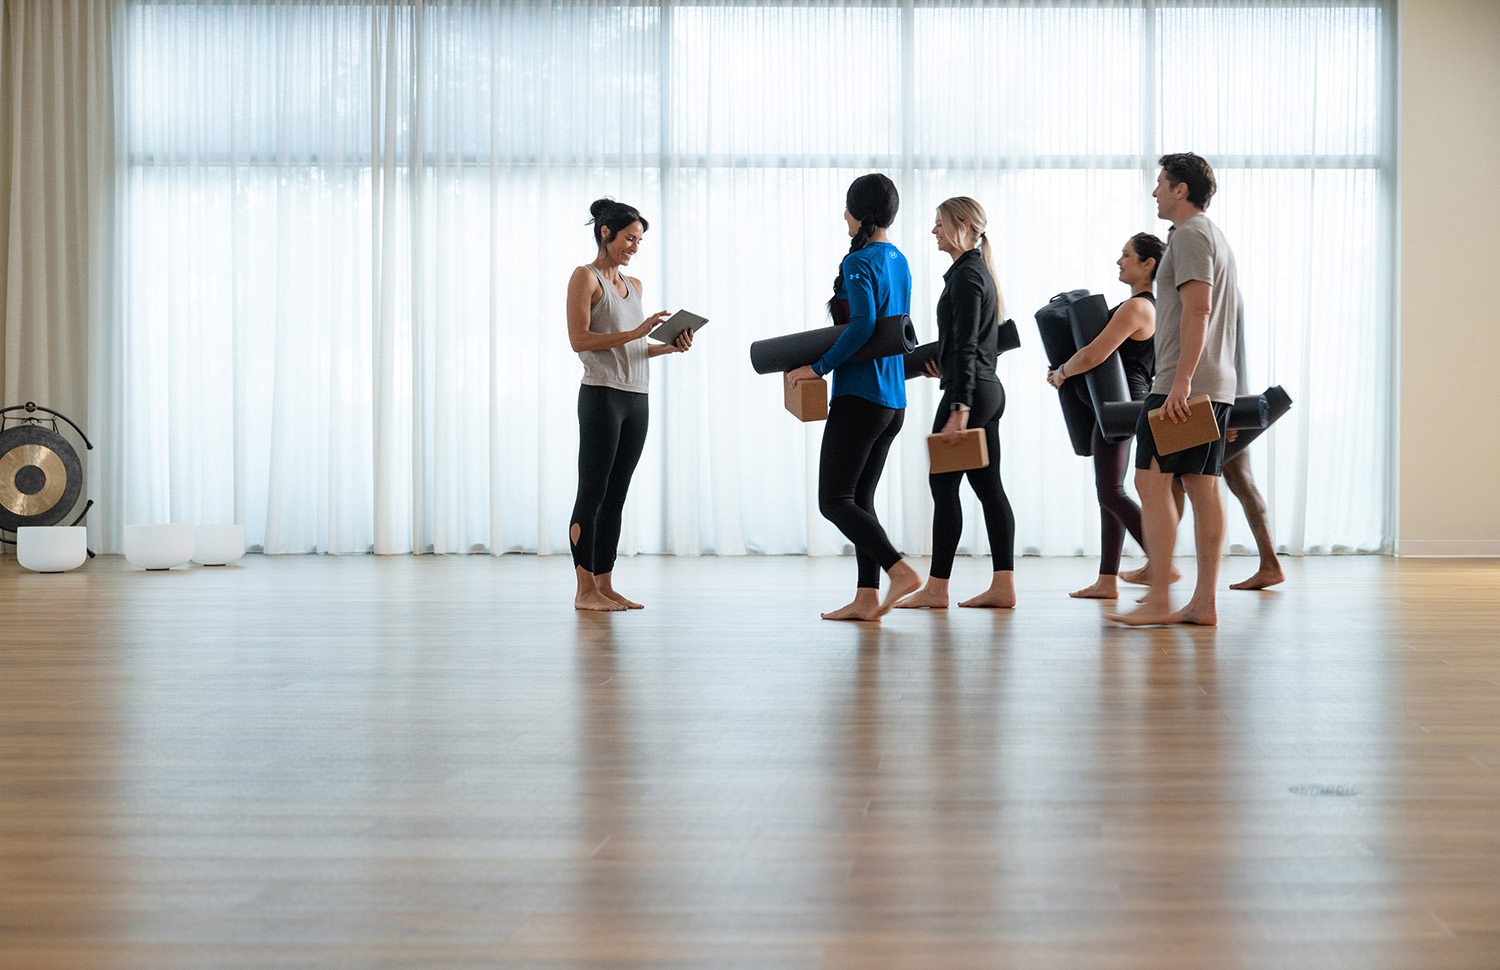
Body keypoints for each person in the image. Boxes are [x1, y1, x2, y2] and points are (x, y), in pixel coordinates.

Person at [1108, 153, 1238, 627]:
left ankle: (1162, 599)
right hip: (1210, 381)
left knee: (1149, 480)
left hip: (1183, 385)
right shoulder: (1211, 236)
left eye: (1161, 183)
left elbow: (1199, 310)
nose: (1156, 191)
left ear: (1181, 189)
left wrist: (1180, 382)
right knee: (1202, 487)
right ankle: (1202, 604)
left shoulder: (1189, 236)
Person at [785, 174, 920, 621]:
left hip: (860, 396)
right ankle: (866, 597)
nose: (843, 216)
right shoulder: (897, 258)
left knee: (834, 500)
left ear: (859, 213)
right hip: (892, 400)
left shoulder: (859, 260)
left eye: (846, 208)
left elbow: (861, 325)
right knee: (860, 501)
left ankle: (899, 569)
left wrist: (817, 366)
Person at [565, 198, 692, 612]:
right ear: (606, 233)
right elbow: (580, 341)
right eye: (629, 239)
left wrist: (666, 347)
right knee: (593, 491)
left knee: (616, 494)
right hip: (601, 395)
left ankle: (605, 584)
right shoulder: (585, 278)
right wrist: (637, 331)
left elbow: (632, 348)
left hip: (637, 397)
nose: (634, 247)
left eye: (638, 241)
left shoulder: (633, 286)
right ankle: (585, 591)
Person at [896, 197, 1017, 610]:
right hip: (986, 389)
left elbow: (968, 346)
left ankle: (936, 589)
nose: (933, 231)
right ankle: (1003, 587)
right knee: (988, 486)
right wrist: (944, 367)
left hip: (971, 395)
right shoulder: (974, 271)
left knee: (944, 485)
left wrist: (959, 407)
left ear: (962, 226)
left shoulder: (966, 277)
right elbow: (973, 344)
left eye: (939, 223)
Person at [1045, 233, 1166, 600]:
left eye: (1126, 255)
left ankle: (1162, 564)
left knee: (1111, 492)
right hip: (1115, 405)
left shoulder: (1139, 308)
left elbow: (1096, 354)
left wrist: (1062, 372)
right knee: (1108, 492)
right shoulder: (1147, 307)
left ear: (1148, 264)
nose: (1119, 261)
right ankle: (1107, 581)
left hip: (1122, 407)